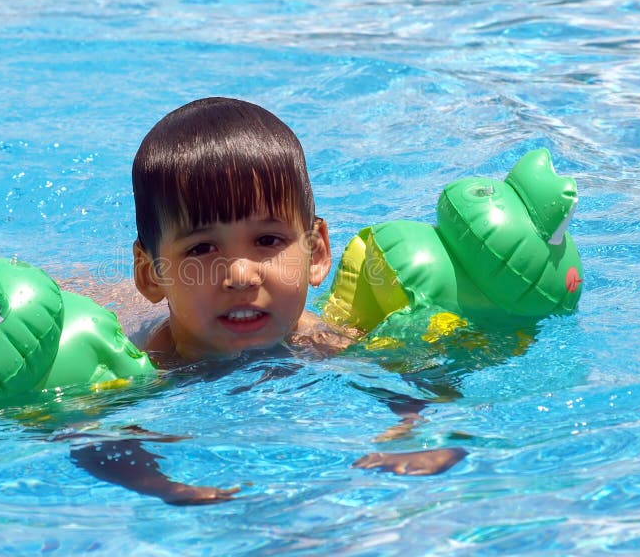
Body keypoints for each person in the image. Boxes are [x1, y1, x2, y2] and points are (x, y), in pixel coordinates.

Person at [70, 98, 466, 504]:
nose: (241, 275)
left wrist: (416, 432)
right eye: (202, 248)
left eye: (267, 240)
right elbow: (84, 435)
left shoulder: (328, 343)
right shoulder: (147, 367)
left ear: (316, 253)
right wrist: (164, 487)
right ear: (150, 274)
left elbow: (427, 389)